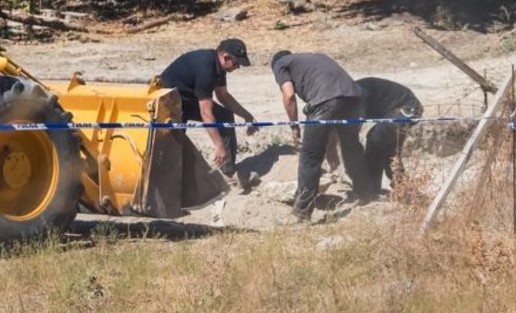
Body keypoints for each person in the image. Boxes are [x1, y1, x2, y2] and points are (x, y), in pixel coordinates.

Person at [270, 50, 374, 220]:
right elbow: (337, 101)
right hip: (354, 97)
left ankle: (302, 213)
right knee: (351, 146)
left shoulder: (280, 64)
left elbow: (289, 95)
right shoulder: (315, 57)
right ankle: (365, 193)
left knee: (310, 156)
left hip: (325, 101)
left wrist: (294, 127)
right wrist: (331, 146)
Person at [158, 39, 258, 186]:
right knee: (175, 145)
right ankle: (168, 184)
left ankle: (228, 171)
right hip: (168, 102)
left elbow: (224, 96)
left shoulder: (219, 67)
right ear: (225, 57)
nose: (238, 67)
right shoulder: (206, 69)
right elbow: (206, 113)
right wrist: (219, 146)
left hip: (187, 97)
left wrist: (247, 116)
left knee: (224, 116)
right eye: (237, 63)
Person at [356, 76, 422, 191]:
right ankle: (402, 188)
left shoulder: (355, 93)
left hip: (406, 109)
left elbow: (357, 121)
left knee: (375, 139)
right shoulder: (349, 91)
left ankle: (371, 189)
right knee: (390, 149)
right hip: (404, 107)